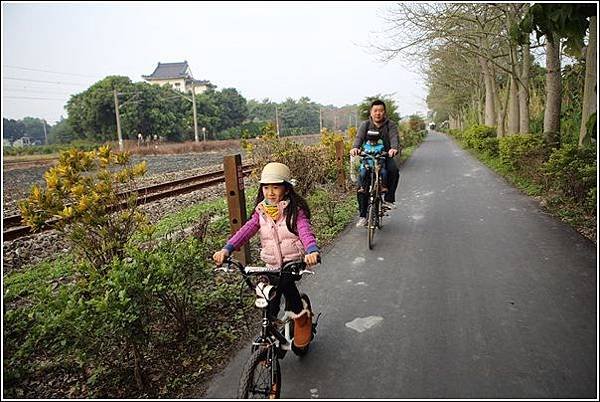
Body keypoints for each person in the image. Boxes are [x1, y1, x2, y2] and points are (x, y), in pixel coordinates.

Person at [213, 162, 320, 348]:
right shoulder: (260, 212)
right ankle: (269, 330)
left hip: (292, 262)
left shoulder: (295, 211)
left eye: (276, 187)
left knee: (285, 284)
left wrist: (311, 250)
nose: (270, 192)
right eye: (266, 187)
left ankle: (301, 317)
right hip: (271, 263)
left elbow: (305, 232)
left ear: (286, 189)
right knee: (267, 296)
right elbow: (246, 231)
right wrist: (227, 248)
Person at [350, 100, 401, 227]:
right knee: (362, 186)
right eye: (375, 111)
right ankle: (363, 216)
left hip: (384, 156)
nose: (378, 113)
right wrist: (355, 147)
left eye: (381, 111)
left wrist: (393, 148)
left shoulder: (390, 125)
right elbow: (359, 138)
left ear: (384, 112)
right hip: (368, 157)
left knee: (394, 170)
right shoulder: (365, 125)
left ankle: (388, 199)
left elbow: (394, 138)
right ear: (371, 112)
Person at [357, 130, 388, 195]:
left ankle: (383, 186)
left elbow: (383, 157)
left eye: (375, 141)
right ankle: (362, 187)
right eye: (371, 141)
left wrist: (380, 164)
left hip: (378, 165)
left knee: (384, 172)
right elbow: (363, 157)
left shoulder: (381, 147)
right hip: (367, 164)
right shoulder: (365, 147)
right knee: (362, 173)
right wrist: (365, 164)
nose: (373, 142)